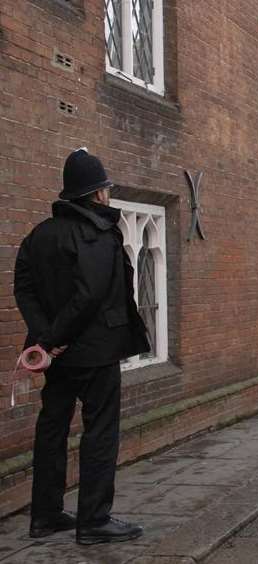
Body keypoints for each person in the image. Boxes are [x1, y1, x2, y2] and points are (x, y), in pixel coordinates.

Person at [14, 148, 150, 545]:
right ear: (97, 194)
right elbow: (89, 295)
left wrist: (44, 338)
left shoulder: (38, 235)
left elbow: (23, 288)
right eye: (105, 189)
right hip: (94, 351)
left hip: (56, 356)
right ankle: (93, 520)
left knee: (52, 428)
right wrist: (55, 338)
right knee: (100, 431)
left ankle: (45, 514)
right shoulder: (98, 233)